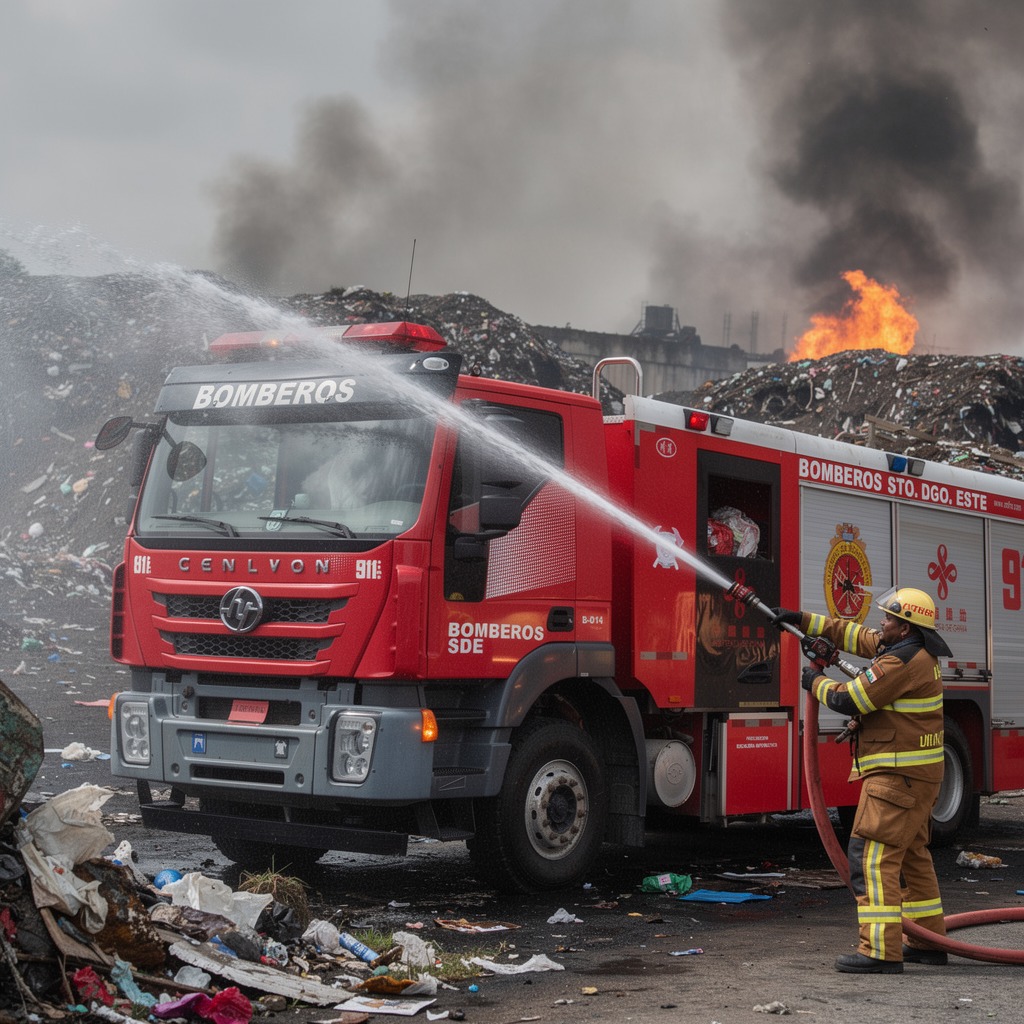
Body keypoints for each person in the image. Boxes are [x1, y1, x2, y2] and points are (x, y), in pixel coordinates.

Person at [773, 587, 952, 974]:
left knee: (872, 856)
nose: (881, 623)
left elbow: (850, 698)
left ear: (905, 628)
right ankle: (926, 938)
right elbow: (852, 634)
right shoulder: (912, 649)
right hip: (916, 778)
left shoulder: (900, 663)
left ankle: (880, 950)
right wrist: (799, 618)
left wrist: (813, 681)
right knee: (911, 857)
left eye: (888, 618)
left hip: (896, 777)